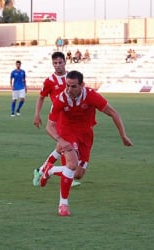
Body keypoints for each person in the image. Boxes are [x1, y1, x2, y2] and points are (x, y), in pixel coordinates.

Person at [40, 70, 134, 216]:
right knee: (71, 165)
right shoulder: (61, 99)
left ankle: (50, 170)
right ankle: (63, 205)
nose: (69, 90)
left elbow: (113, 113)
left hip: (86, 135)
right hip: (67, 133)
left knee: (78, 174)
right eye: (67, 86)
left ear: (82, 85)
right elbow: (49, 126)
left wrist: (123, 135)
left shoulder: (91, 96)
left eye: (73, 86)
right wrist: (61, 141)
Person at [33, 52, 85, 187]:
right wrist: (37, 114)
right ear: (52, 64)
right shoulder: (49, 81)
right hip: (60, 119)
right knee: (65, 146)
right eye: (55, 63)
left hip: (72, 118)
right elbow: (41, 97)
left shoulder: (71, 78)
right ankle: (66, 175)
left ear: (64, 62)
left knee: (60, 147)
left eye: (60, 62)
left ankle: (41, 170)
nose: (58, 65)